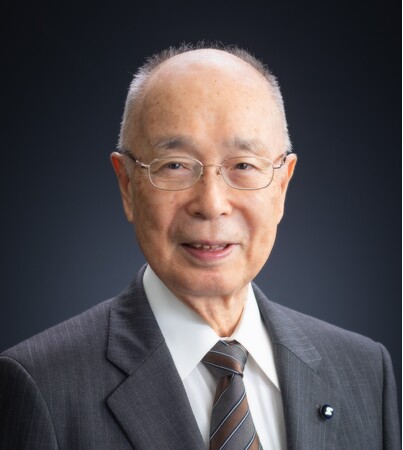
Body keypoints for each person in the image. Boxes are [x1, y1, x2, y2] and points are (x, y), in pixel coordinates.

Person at [0, 44, 399, 450]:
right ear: (127, 185)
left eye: (243, 165)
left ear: (281, 186)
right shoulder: (41, 385)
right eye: (175, 165)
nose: (211, 204)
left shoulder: (366, 372)